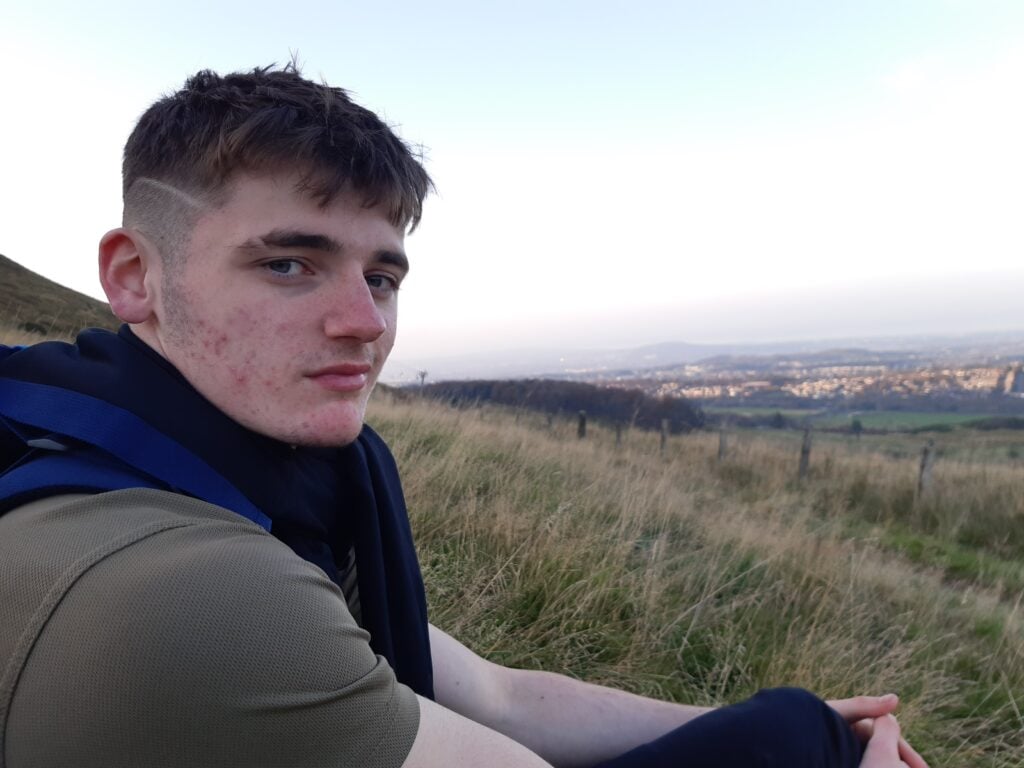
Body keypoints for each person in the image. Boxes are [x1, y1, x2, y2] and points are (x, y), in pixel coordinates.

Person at [0, 64, 927, 768]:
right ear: (134, 276)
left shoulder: (188, 460)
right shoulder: (193, 592)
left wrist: (804, 721)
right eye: (288, 263)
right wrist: (799, 746)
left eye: (382, 277)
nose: (364, 324)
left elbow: (500, 696)